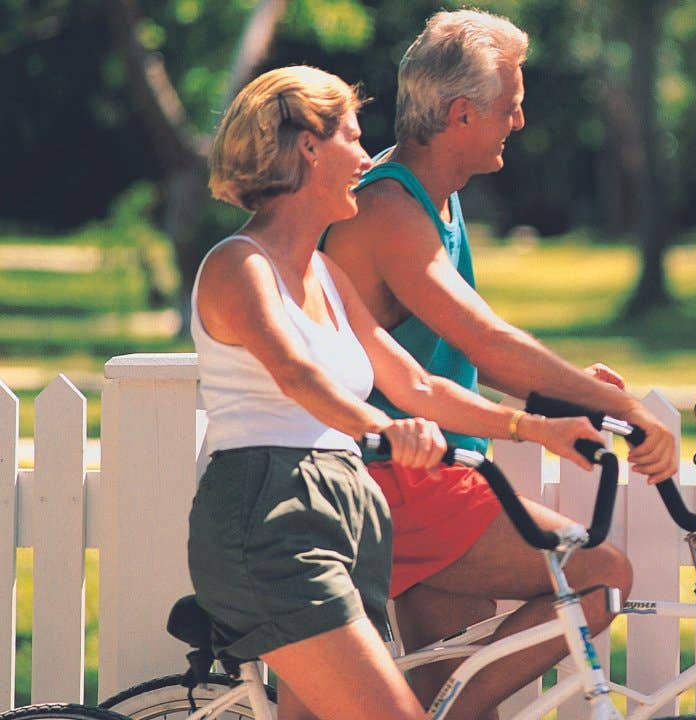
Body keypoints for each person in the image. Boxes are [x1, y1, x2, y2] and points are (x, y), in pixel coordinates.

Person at [189, 65, 604, 720]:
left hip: (342, 512)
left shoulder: (324, 274)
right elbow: (299, 375)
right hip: (271, 515)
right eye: (353, 139)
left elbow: (414, 383)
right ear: (308, 148)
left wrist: (534, 428)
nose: (365, 157)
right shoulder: (240, 267)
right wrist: (380, 430)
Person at [321, 9, 677, 717]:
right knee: (600, 578)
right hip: (404, 481)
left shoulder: (437, 204)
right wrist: (624, 410)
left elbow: (450, 353)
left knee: (450, 695)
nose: (519, 122)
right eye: (510, 107)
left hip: (429, 476)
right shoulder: (390, 207)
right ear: (461, 114)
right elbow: (485, 340)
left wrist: (561, 396)